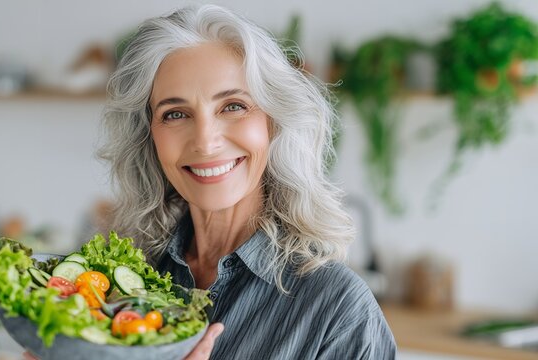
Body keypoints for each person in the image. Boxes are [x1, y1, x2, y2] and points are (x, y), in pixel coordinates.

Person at [27, 4, 396, 360]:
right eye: (175, 113)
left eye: (233, 106)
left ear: (272, 122)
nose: (205, 141)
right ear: (149, 137)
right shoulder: (122, 283)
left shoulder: (338, 310)